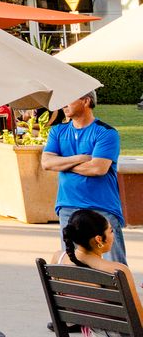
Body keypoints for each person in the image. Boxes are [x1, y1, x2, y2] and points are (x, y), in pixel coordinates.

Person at [60, 209, 143, 337]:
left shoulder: (59, 259)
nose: (114, 234)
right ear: (99, 239)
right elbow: (139, 323)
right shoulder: (116, 270)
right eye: (111, 230)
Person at [44, 91, 127, 266]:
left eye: (68, 99)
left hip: (102, 207)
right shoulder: (57, 131)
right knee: (72, 262)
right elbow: (46, 163)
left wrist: (63, 164)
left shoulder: (106, 133)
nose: (63, 104)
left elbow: (98, 168)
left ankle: (119, 293)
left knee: (115, 264)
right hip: (68, 205)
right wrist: (81, 158)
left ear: (86, 101)